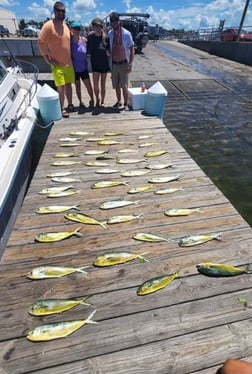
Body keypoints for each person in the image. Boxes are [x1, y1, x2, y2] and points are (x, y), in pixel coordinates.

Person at [38, 1, 75, 118]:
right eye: (58, 11)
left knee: (69, 85)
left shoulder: (65, 26)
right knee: (61, 87)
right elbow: (40, 40)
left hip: (69, 63)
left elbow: (70, 38)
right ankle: (62, 108)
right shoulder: (48, 25)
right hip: (57, 65)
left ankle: (70, 104)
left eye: (63, 11)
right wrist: (47, 59)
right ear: (54, 12)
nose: (61, 13)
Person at [108, 12, 134, 110]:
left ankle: (126, 104)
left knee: (124, 85)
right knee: (116, 85)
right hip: (114, 63)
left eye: (115, 21)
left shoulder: (127, 34)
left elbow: (132, 49)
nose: (114, 23)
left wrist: (130, 64)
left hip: (124, 63)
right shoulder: (110, 33)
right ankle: (118, 101)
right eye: (112, 22)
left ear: (119, 21)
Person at [70, 21, 94, 109]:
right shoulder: (69, 42)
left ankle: (92, 100)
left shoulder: (84, 40)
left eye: (78, 29)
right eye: (75, 29)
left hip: (84, 68)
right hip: (74, 69)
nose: (77, 30)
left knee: (89, 86)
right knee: (78, 87)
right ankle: (80, 102)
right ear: (71, 29)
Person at [87, 18, 110, 107]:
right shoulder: (90, 37)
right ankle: (97, 99)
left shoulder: (106, 37)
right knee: (96, 85)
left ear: (101, 27)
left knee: (103, 84)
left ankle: (102, 101)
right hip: (95, 64)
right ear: (93, 27)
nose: (97, 28)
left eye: (99, 26)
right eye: (95, 26)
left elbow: (109, 50)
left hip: (104, 64)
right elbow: (86, 48)